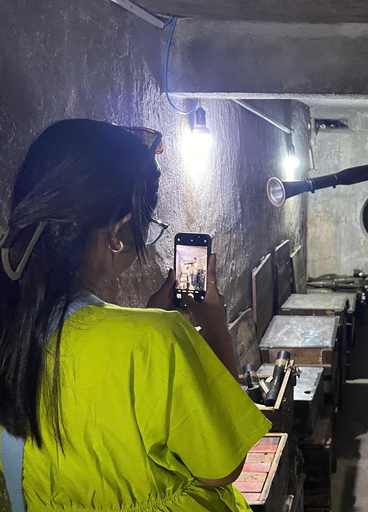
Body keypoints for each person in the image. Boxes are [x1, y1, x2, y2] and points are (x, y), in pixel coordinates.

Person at [0, 120, 271, 511]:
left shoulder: (14, 326)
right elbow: (223, 467)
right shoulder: (159, 340)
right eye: (152, 227)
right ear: (119, 230)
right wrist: (214, 322)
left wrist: (147, 317)